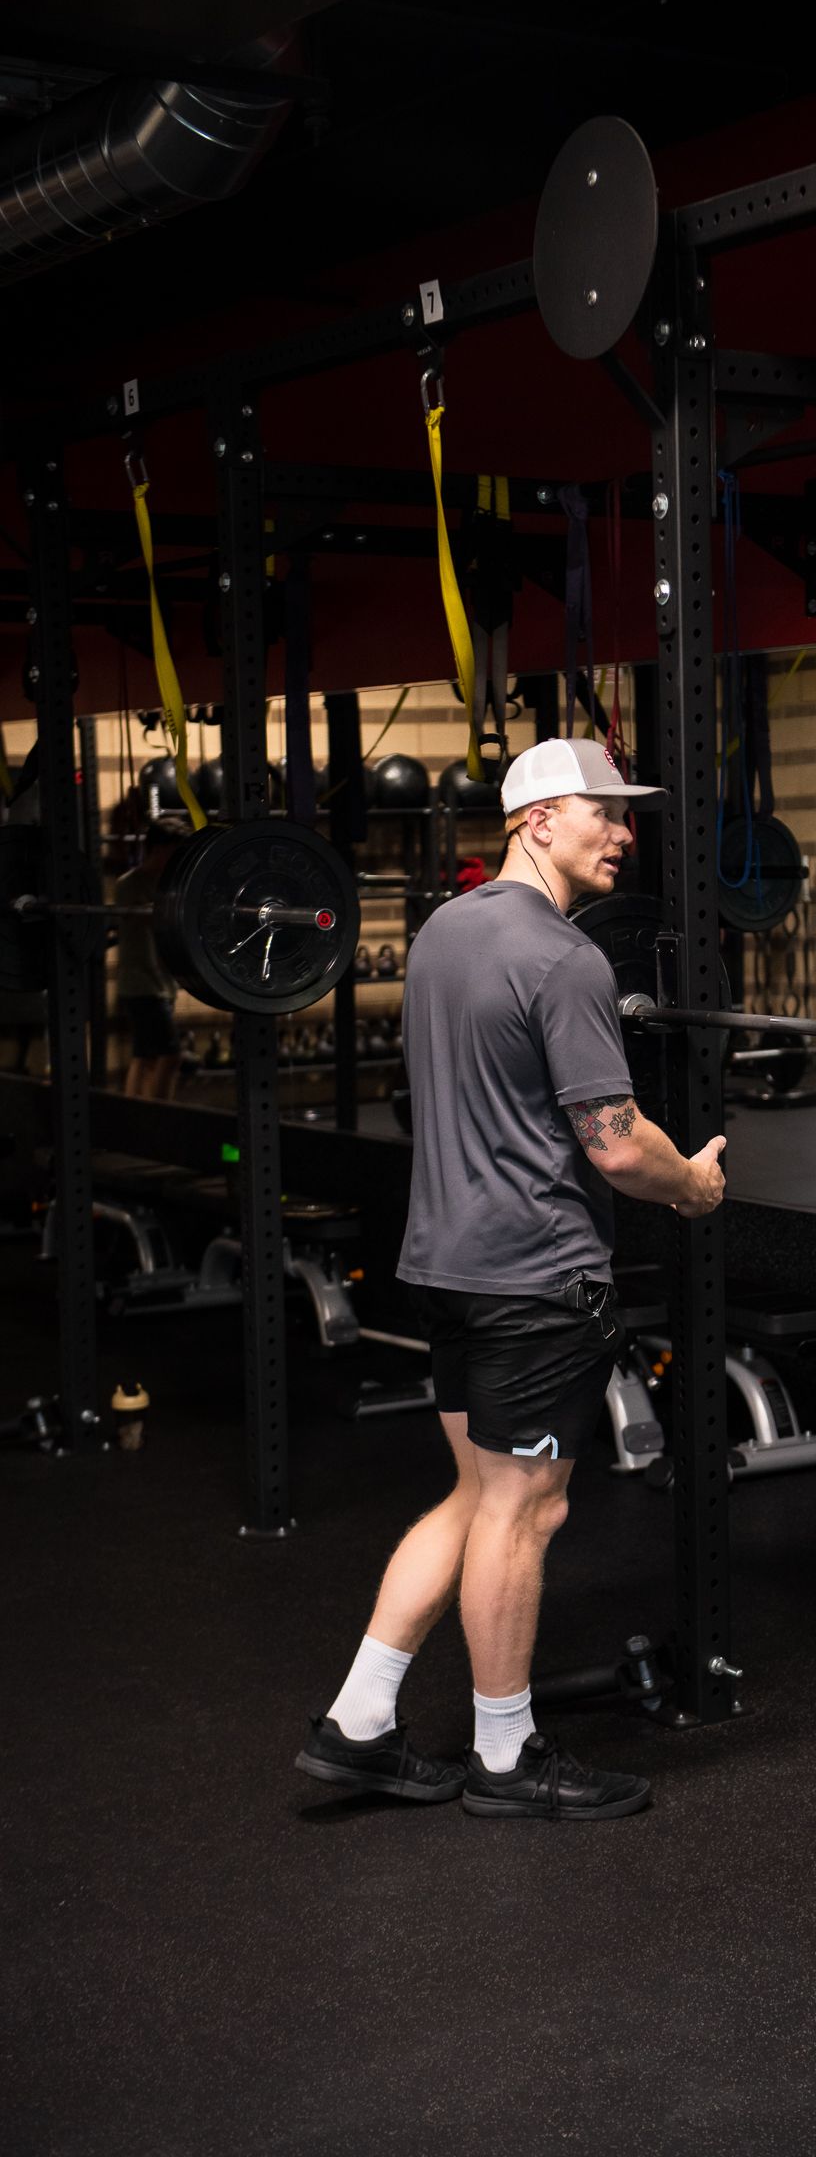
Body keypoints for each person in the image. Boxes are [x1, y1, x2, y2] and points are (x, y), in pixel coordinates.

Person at [297, 737, 727, 1820]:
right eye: (605, 813)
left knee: (477, 1494)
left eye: (630, 817)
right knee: (525, 1511)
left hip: (443, 1262)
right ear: (535, 819)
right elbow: (618, 1144)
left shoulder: (445, 931)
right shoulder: (566, 960)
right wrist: (693, 1189)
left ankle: (357, 1723)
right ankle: (505, 1753)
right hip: (536, 1276)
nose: (626, 834)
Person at [115, 815, 190, 1098]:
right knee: (171, 1056)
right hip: (143, 985)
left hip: (162, 984)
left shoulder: (168, 885)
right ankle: (160, 1117)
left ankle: (136, 1121)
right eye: (173, 852)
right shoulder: (130, 884)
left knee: (145, 1057)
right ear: (158, 849)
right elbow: (151, 919)